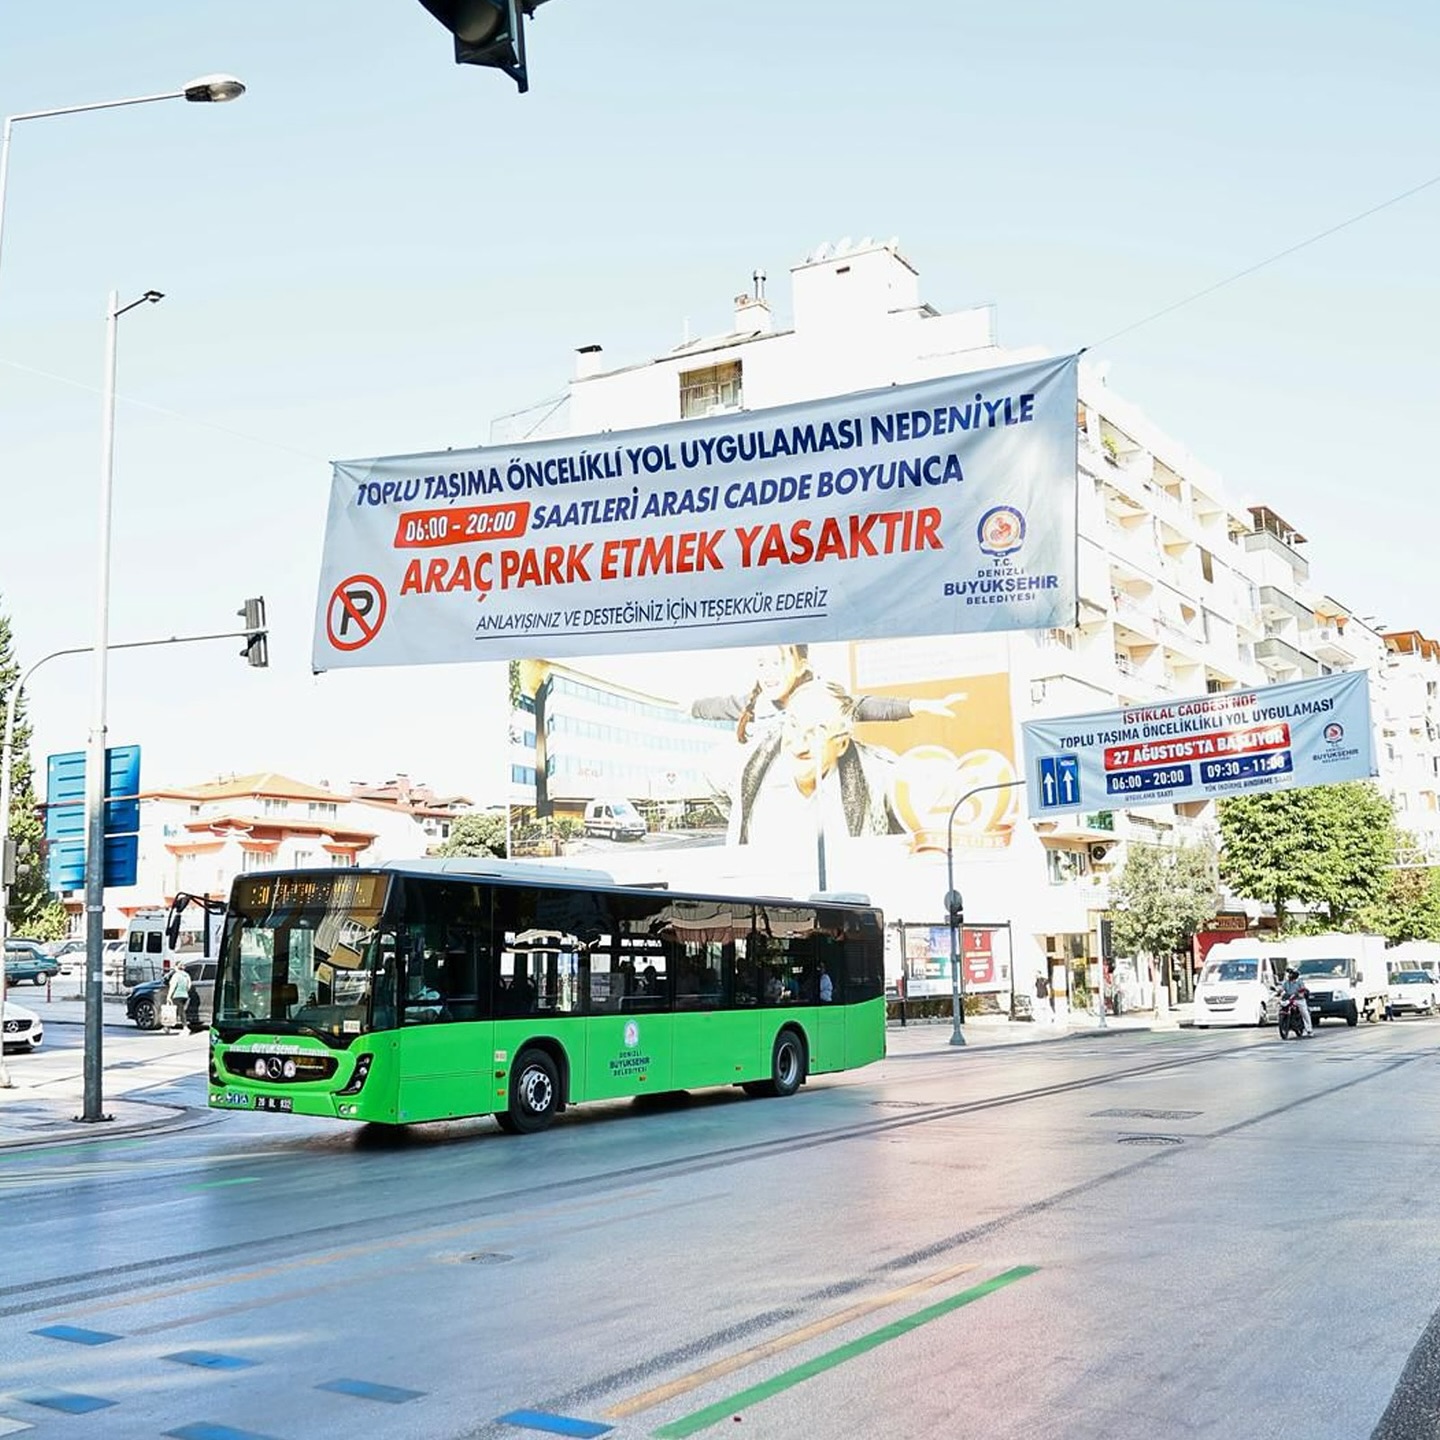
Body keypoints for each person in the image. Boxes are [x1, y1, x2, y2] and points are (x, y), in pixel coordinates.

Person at [729, 679, 904, 845]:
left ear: (842, 744)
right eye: (794, 725)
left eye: (818, 733)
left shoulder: (880, 773)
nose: (799, 745)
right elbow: (716, 788)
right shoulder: (745, 764)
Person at [691, 645, 962, 744]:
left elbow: (865, 706)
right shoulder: (757, 704)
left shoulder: (819, 699)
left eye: (777, 663)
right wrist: (690, 706)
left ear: (802, 665)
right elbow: (720, 706)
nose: (769, 672)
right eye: (762, 664)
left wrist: (918, 705)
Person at [1280, 966, 1313, 1036]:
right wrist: (1278, 992)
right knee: (1282, 1007)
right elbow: (1281, 989)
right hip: (1289, 999)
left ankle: (1309, 1029)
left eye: (1290, 973)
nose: (1288, 975)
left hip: (1298, 1000)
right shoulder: (1285, 982)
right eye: (1288, 973)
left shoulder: (1299, 982)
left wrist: (1301, 993)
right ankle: (1285, 1024)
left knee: (1304, 1012)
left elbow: (1303, 990)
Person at [164, 963, 192, 1035]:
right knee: (176, 1012)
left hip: (177, 995)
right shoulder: (186, 975)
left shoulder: (176, 976)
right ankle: (168, 1027)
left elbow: (173, 986)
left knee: (180, 1012)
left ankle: (185, 1027)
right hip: (185, 995)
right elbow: (188, 986)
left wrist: (169, 996)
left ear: (176, 967)